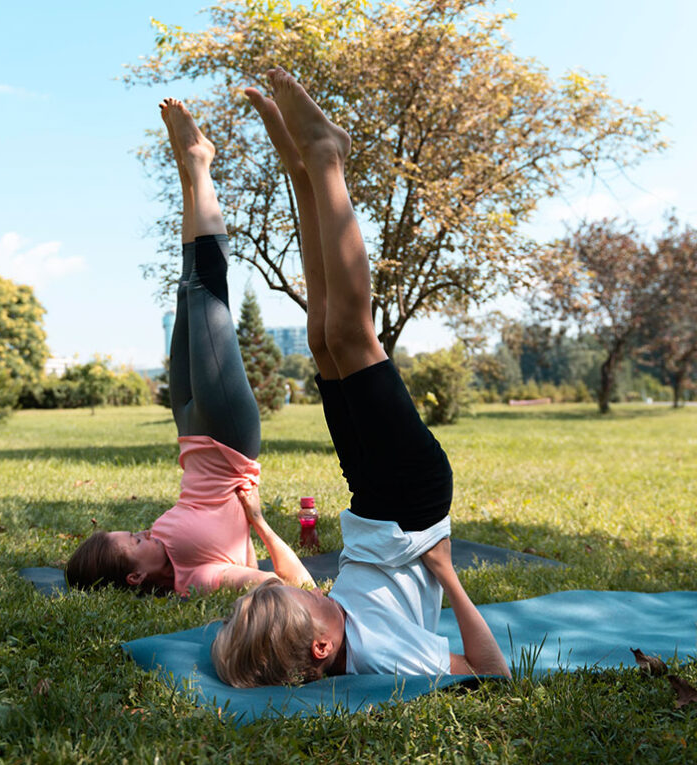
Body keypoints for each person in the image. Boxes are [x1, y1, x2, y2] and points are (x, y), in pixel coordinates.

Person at [211, 69, 510, 686]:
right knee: (353, 337)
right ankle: (325, 158)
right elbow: (491, 671)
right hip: (413, 503)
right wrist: (447, 573)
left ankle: (302, 172)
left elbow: (297, 587)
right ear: (322, 647)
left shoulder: (327, 626)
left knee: (323, 340)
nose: (317, 591)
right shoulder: (384, 654)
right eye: (310, 601)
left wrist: (263, 526)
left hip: (374, 508)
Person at [65, 99, 313, 597]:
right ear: (136, 576)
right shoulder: (199, 579)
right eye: (136, 539)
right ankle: (199, 161)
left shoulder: (163, 548)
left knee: (185, 287)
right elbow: (298, 587)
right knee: (206, 290)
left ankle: (190, 173)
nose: (144, 531)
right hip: (226, 438)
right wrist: (260, 523)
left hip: (190, 435)